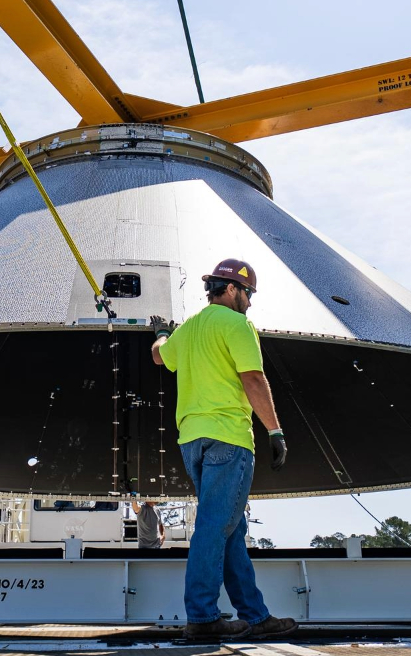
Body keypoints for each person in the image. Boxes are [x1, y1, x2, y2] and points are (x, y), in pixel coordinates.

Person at [150, 258, 297, 641]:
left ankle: (255, 615)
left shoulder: (191, 328)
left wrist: (164, 334)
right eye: (247, 293)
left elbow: (158, 356)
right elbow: (252, 377)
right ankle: (201, 617)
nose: (250, 301)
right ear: (231, 289)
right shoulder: (238, 325)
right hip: (229, 438)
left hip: (192, 441)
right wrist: (275, 431)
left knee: (231, 529)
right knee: (215, 528)